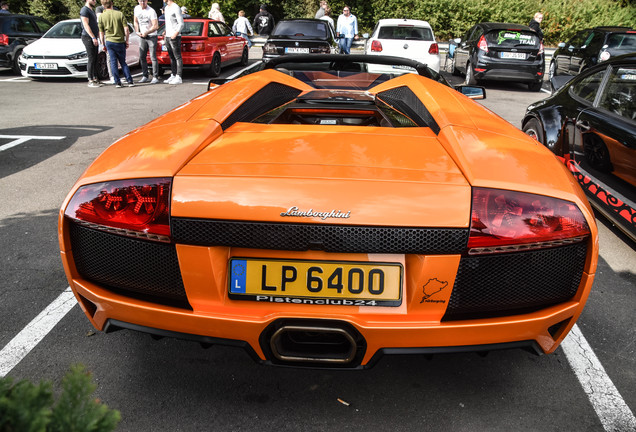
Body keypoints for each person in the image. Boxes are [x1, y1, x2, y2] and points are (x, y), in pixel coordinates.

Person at [98, 0, 134, 87]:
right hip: (120, 41)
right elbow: (126, 29)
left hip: (109, 41)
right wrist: (127, 40)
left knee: (113, 62)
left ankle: (117, 81)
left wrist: (103, 43)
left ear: (103, 5)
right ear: (112, 4)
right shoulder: (119, 14)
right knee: (123, 62)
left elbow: (101, 32)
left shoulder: (102, 16)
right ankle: (129, 81)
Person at [134, 0, 159, 84]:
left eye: (144, 1)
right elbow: (135, 21)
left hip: (151, 36)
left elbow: (155, 26)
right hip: (142, 36)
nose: (142, 3)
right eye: (141, 1)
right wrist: (137, 31)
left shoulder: (151, 11)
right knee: (142, 56)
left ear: (147, 1)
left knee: (153, 57)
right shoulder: (137, 9)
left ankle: (155, 76)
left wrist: (146, 32)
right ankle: (145, 75)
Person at [80, 0, 101, 87]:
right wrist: (92, 37)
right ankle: (90, 80)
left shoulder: (91, 10)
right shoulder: (84, 10)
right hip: (88, 37)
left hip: (94, 37)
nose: (94, 1)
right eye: (93, 0)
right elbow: (85, 24)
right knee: (91, 58)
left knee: (95, 58)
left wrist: (97, 36)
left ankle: (95, 78)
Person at [163, 0, 183, 84]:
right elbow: (168, 22)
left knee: (177, 56)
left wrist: (176, 33)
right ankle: (173, 74)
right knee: (171, 57)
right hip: (167, 35)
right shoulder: (166, 8)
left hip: (174, 36)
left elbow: (181, 23)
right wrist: (165, 31)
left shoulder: (176, 7)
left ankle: (179, 76)